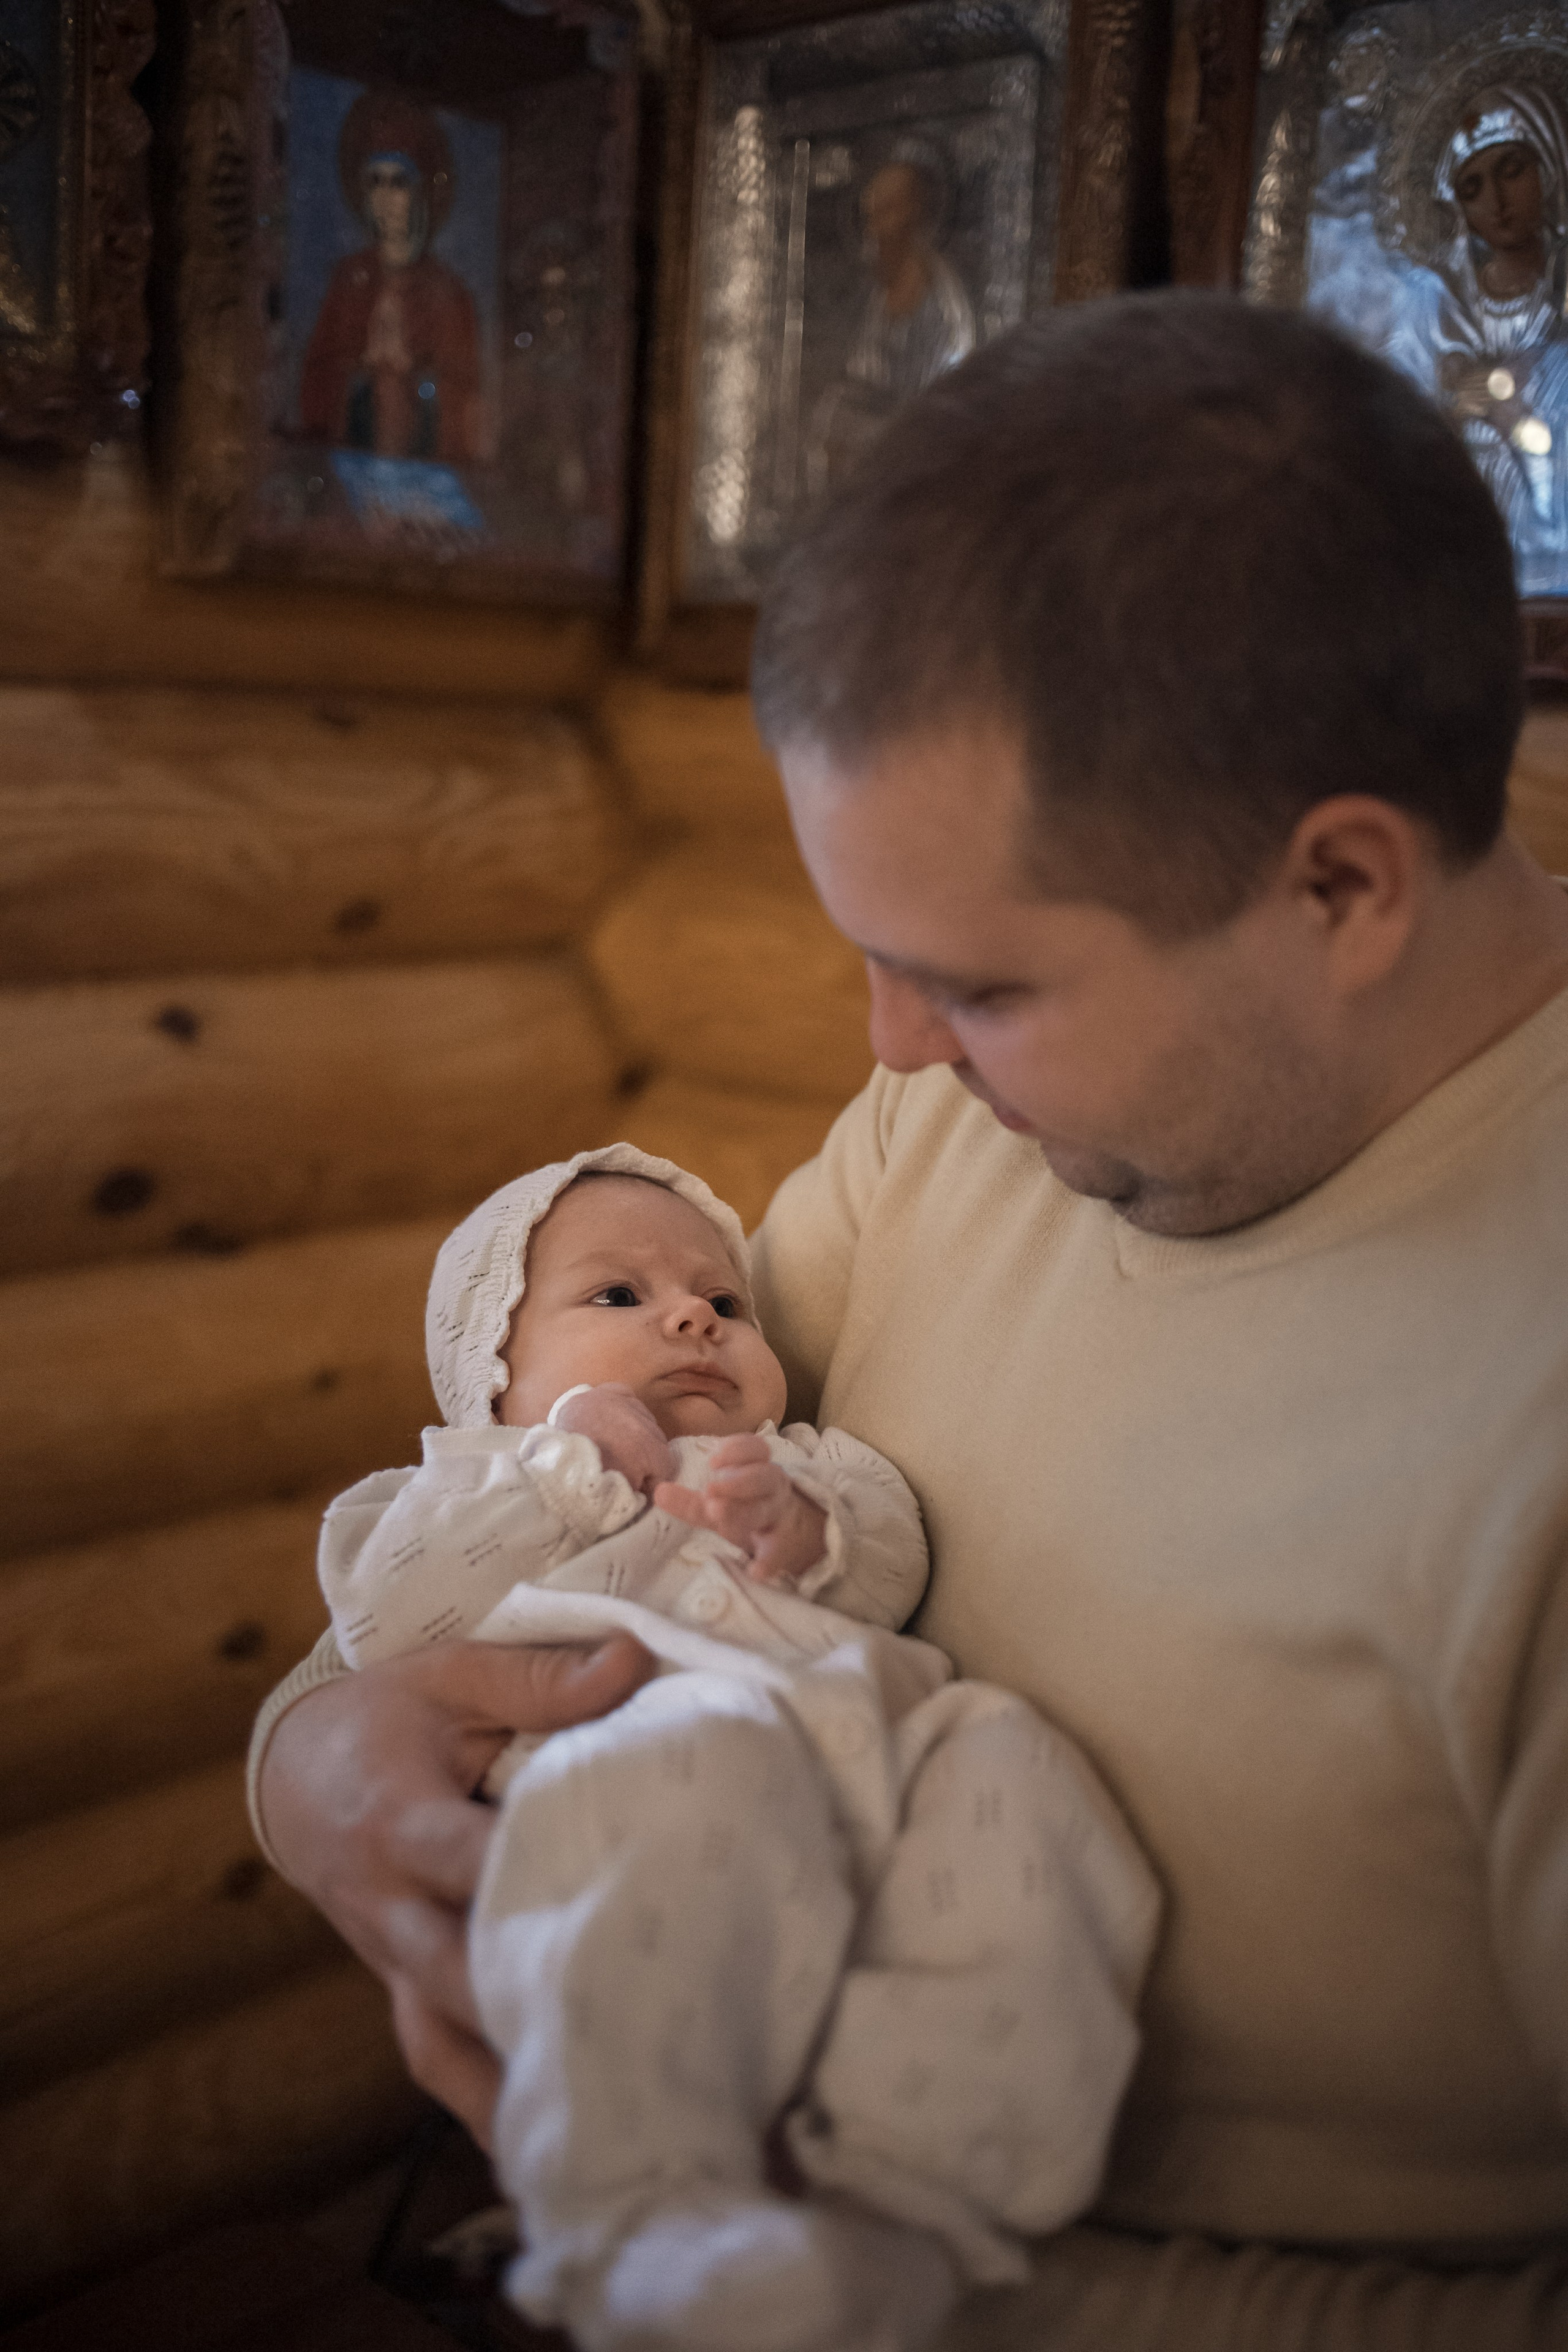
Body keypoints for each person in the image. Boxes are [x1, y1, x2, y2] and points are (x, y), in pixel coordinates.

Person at [252, 292, 1568, 2346]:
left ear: (1341, 890)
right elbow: (571, 1492)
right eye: (872, 957)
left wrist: (892, 2305)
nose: (892, 1050)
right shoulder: (950, 1131)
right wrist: (319, 1768)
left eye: (983, 980)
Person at [312, 1144, 1156, 2351]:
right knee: (677, 1774)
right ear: (488, 1377)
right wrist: (564, 1470)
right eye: (616, 1296)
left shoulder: (802, 1463)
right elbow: (388, 1621)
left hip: (875, 1744)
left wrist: (803, 1531)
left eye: (723, 1302)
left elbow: (890, 1558)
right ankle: (646, 2211)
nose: (689, 1317)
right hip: (646, 1743)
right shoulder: (464, 1484)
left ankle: (915, 2190)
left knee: (1009, 1757)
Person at [1428, 85, 1568, 585]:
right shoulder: (1446, 306)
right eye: (1473, 187)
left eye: (1512, 170)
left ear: (1548, 165)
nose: (1498, 201)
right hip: (1477, 506)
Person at [299, 88, 484, 465]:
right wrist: (362, 374)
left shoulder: (448, 293)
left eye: (398, 182)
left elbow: (463, 410)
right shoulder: (348, 280)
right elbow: (317, 383)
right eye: (375, 182)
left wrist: (413, 381)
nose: (385, 197)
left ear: (419, 193)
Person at [807, 156, 974, 498]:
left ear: (915, 216)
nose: (873, 230)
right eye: (871, 215)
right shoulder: (880, 291)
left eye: (885, 212)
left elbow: (931, 403)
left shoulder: (940, 302)